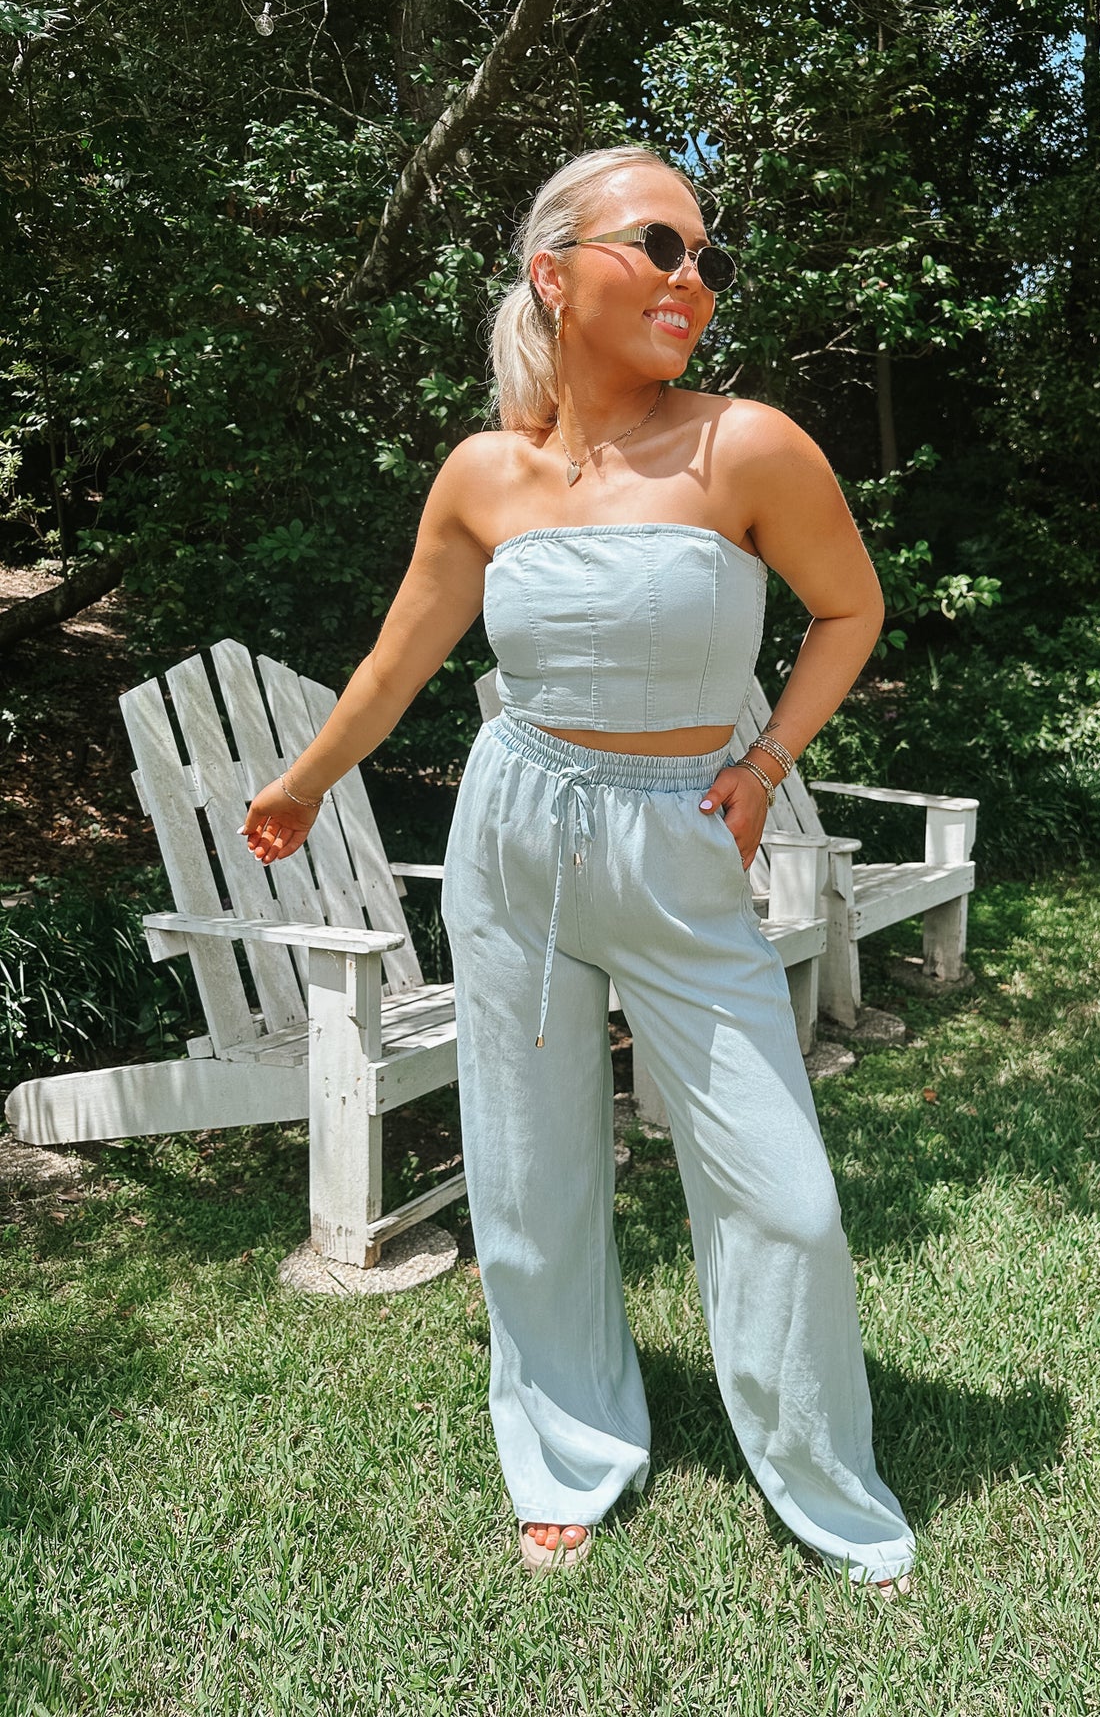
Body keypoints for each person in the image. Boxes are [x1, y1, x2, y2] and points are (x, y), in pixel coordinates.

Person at [239, 143, 916, 1594]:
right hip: (518, 833)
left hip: (683, 840)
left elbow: (849, 609)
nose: (693, 279)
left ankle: (816, 1467)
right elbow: (399, 660)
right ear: (554, 274)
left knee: (782, 1192)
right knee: (532, 1168)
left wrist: (763, 765)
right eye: (659, 245)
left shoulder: (747, 445)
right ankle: (567, 1452)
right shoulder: (485, 472)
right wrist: (303, 781)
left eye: (706, 259)